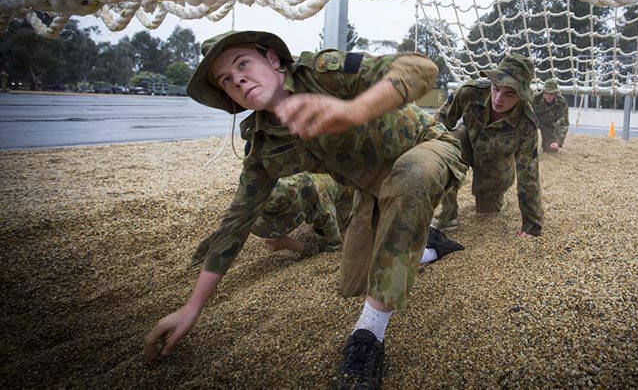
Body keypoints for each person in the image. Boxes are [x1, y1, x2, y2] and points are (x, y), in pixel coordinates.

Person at [143, 30, 468, 389]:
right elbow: (236, 222)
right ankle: (428, 245)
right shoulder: (264, 144)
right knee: (355, 283)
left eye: (242, 64)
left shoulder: (320, 72)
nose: (238, 79)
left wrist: (352, 109)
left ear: (272, 59)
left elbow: (421, 68)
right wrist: (192, 308)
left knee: (409, 181)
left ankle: (368, 337)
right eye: (227, 80)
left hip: (429, 149)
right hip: (374, 190)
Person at [431, 54, 543, 237]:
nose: (498, 98)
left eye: (509, 93)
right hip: (467, 138)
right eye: (496, 88)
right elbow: (440, 122)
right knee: (447, 149)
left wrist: (531, 226)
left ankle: (499, 199)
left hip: (496, 161)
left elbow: (529, 177)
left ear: (521, 96)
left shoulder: (526, 124)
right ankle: (448, 213)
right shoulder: (469, 92)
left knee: (488, 211)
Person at [248, 171, 354, 259]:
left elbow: (332, 249)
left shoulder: (321, 209)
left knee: (337, 226)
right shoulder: (284, 173)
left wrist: (290, 244)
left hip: (351, 186)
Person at [532, 78, 569, 153]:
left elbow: (564, 123)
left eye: (551, 93)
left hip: (549, 125)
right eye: (546, 93)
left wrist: (558, 141)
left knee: (551, 149)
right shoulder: (535, 98)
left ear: (556, 93)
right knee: (527, 148)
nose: (548, 96)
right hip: (533, 123)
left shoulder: (562, 102)